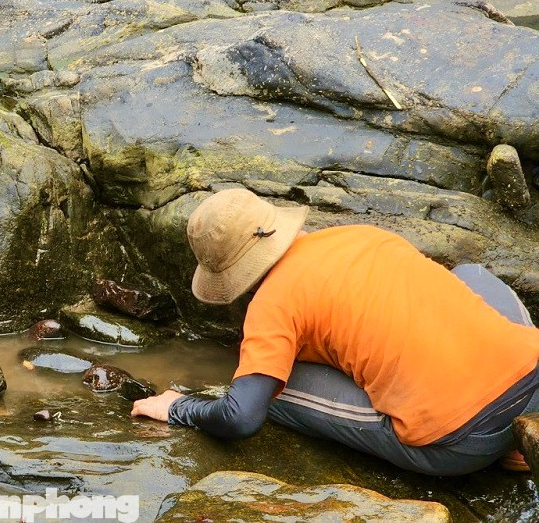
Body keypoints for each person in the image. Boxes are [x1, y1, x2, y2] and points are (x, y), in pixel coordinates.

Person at [131, 188, 539, 476]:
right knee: (470, 275)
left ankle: (501, 444)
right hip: (533, 384)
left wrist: (178, 408)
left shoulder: (272, 304)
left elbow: (240, 417)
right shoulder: (361, 235)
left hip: (461, 443)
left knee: (275, 390)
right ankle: (522, 447)